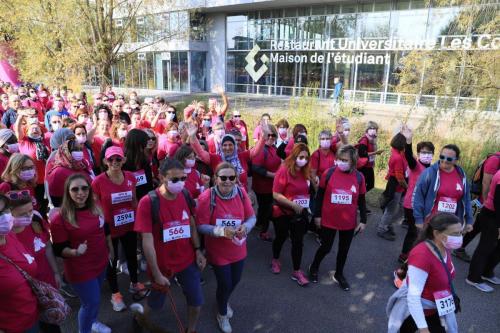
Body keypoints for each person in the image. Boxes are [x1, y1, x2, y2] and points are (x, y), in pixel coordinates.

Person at [135, 159, 206, 333]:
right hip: (162, 266)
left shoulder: (185, 195)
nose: (180, 183)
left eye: (183, 178)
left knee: (196, 302)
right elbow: (147, 241)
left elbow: (190, 224)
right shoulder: (148, 202)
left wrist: (198, 250)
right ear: (161, 177)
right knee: (155, 304)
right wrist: (157, 273)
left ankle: (191, 330)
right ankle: (138, 317)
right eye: (174, 180)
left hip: (187, 261)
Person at [196, 162, 256, 333]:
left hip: (238, 248)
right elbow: (200, 226)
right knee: (224, 283)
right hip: (218, 251)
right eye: (223, 178)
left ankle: (223, 300)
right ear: (216, 178)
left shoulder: (241, 193)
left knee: (234, 281)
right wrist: (220, 231)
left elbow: (252, 218)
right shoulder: (207, 197)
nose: (228, 181)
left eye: (232, 178)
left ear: (236, 179)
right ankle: (221, 314)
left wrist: (246, 227)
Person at [50, 174, 113, 333]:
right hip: (80, 269)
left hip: (101, 262)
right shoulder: (60, 219)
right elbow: (59, 249)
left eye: (84, 188)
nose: (80, 193)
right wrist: (75, 252)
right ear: (68, 192)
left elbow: (104, 229)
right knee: (90, 303)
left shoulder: (96, 206)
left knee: (96, 300)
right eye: (75, 189)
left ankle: (93, 322)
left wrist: (110, 248)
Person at [92, 146, 147, 312]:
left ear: (123, 160)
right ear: (105, 162)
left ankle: (135, 283)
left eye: (118, 159)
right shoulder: (98, 181)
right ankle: (115, 294)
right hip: (109, 228)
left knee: (131, 256)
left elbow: (134, 200)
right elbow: (94, 205)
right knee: (112, 259)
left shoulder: (130, 177)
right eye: (111, 159)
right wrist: (102, 225)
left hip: (129, 224)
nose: (114, 162)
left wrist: (140, 220)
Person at [309, 145, 367, 291]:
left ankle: (339, 274)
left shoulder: (359, 177)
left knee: (344, 249)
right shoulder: (328, 173)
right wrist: (317, 216)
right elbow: (320, 196)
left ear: (353, 162)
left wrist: (363, 220)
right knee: (326, 247)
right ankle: (314, 267)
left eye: (345, 160)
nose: (341, 162)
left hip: (348, 222)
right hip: (328, 219)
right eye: (339, 159)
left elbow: (361, 200)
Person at [394, 213, 462, 333]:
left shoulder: (444, 247)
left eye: (460, 233)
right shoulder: (422, 256)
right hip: (417, 315)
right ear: (436, 233)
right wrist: (423, 328)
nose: (459, 237)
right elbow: (413, 296)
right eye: (455, 234)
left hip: (435, 309)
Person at [8, 190, 62, 333]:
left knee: (53, 327)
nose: (28, 216)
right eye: (21, 214)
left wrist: (56, 272)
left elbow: (48, 247)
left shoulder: (36, 221)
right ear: (9, 215)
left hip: (47, 286)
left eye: (30, 211)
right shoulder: (6, 237)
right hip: (26, 297)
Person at [271, 143, 312, 286]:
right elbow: (275, 194)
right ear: (294, 156)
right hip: (283, 211)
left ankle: (297, 271)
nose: (304, 160)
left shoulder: (306, 171)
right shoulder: (283, 170)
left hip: (300, 213)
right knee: (281, 237)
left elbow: (309, 191)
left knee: (298, 242)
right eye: (301, 157)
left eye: (306, 158)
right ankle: (275, 259)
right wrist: (292, 205)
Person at [0, 194, 40, 333]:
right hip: (12, 327)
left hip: (31, 317)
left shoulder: (9, 235)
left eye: (5, 210)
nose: (4, 217)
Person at [188, 122, 267, 191]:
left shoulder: (242, 156)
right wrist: (192, 137)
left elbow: (255, 151)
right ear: (221, 147)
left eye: (230, 145)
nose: (227, 147)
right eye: (225, 145)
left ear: (235, 146)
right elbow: (201, 153)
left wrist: (263, 137)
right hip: (221, 198)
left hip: (241, 197)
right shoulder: (215, 158)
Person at [413, 144, 473, 231]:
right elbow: (418, 197)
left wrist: (469, 221)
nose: (444, 160)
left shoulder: (461, 175)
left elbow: (466, 199)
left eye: (449, 159)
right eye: (442, 157)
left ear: (456, 160)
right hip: (431, 223)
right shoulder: (429, 173)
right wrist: (418, 219)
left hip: (452, 224)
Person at [454, 151, 500, 262]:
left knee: (475, 226)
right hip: (482, 201)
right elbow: (485, 182)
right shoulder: (495, 160)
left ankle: (459, 247)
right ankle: (456, 245)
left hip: (484, 201)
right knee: (471, 223)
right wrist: (485, 201)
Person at [398, 126, 435, 262]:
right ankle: (405, 255)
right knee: (414, 231)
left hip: (425, 206)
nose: (426, 155)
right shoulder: (415, 165)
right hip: (412, 204)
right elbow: (408, 155)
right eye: (423, 152)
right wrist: (409, 140)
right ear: (419, 154)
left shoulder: (433, 169)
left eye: (429, 152)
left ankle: (416, 254)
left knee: (421, 232)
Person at [466, 169, 500, 292]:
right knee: (485, 247)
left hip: (493, 215)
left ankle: (487, 272)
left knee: (496, 247)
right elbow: (498, 201)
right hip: (492, 215)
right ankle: (473, 277)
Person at [251, 125, 281, 241]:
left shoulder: (274, 148)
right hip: (262, 186)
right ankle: (263, 231)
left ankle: (259, 224)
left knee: (264, 208)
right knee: (267, 209)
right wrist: (274, 175)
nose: (271, 137)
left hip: (272, 185)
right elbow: (257, 168)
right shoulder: (260, 149)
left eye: (273, 135)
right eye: (268, 135)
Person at [377, 133, 408, 241]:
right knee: (391, 209)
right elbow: (399, 177)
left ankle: (387, 224)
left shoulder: (396, 152)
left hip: (396, 185)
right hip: (396, 186)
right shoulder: (398, 157)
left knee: (398, 208)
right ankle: (382, 229)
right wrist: (407, 187)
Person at [46, 140, 93, 207]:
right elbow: (56, 200)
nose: (79, 152)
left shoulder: (81, 166)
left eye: (80, 149)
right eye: (75, 149)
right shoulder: (58, 173)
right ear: (66, 151)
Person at [123, 129, 154, 200]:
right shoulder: (122, 162)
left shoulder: (145, 161)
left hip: (145, 200)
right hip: (129, 202)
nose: (146, 145)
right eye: (144, 143)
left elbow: (149, 185)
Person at [356, 121, 383, 194]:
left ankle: (363, 198)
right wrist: (376, 153)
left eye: (375, 128)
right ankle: (360, 200)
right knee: (363, 185)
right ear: (367, 129)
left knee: (370, 185)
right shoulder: (364, 140)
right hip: (363, 166)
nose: (373, 130)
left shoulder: (372, 140)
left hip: (369, 166)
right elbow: (362, 153)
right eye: (371, 128)